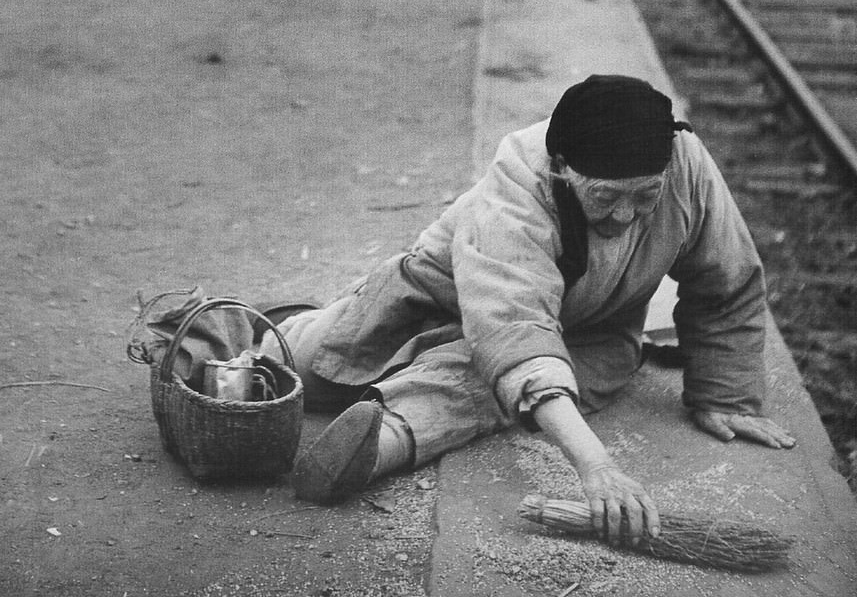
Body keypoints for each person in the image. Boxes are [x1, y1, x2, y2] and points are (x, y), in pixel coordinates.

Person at [260, 74, 795, 541]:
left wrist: (726, 393)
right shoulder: (519, 178)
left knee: (485, 386)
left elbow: (726, 281)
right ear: (562, 167)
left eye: (644, 196)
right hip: (434, 296)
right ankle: (257, 335)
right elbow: (514, 328)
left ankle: (376, 446)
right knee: (301, 368)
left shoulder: (684, 163)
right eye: (607, 196)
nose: (624, 216)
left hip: (588, 334)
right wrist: (597, 466)